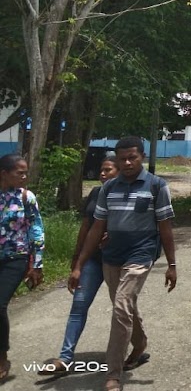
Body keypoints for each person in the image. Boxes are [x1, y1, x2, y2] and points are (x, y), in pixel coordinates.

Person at [69, 137, 177, 391]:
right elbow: (96, 228)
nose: (127, 162)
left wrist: (172, 264)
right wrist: (79, 265)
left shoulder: (156, 186)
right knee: (125, 307)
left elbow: (165, 227)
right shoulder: (108, 189)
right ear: (116, 160)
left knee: (120, 307)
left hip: (141, 255)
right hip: (111, 257)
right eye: (122, 158)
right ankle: (139, 345)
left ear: (142, 157)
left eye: (132, 157)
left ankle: (113, 374)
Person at [42, 155, 127, 374]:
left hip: (118, 261)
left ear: (119, 172)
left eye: (108, 170)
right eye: (102, 169)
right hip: (92, 260)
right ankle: (65, 358)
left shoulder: (127, 196)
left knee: (123, 310)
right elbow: (86, 227)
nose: (102, 173)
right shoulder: (96, 194)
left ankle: (134, 348)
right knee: (78, 306)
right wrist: (76, 262)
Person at [0, 153, 44, 381]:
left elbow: (36, 229)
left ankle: (2, 356)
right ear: (4, 173)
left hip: (15, 258)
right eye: (20, 173)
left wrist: (36, 264)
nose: (25, 177)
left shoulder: (26, 197)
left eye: (26, 172)